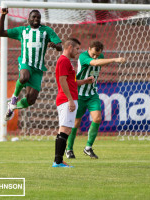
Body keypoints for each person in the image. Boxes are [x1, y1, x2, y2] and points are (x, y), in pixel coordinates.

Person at [0, 8, 62, 121]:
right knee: (24, 77)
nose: (36, 19)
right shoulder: (22, 30)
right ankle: (14, 98)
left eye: (38, 17)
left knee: (30, 100)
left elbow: (60, 46)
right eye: (34, 17)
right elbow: (1, 33)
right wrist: (3, 15)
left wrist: (55, 46)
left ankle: (12, 107)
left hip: (38, 68)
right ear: (28, 19)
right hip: (25, 62)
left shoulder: (47, 30)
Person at [65, 41, 126, 159]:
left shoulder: (100, 56)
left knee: (97, 118)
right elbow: (95, 63)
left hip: (92, 94)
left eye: (97, 55)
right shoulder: (83, 56)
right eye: (93, 54)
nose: (95, 56)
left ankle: (88, 147)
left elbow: (98, 61)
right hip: (79, 94)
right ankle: (69, 149)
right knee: (76, 123)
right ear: (89, 49)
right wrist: (115, 60)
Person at [53, 38, 95, 167]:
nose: (78, 52)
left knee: (65, 130)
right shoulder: (64, 61)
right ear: (70, 47)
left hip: (68, 99)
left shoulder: (66, 62)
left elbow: (70, 81)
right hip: (67, 100)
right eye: (77, 49)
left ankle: (58, 160)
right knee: (65, 130)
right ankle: (58, 161)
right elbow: (62, 81)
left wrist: (84, 81)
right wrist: (70, 99)